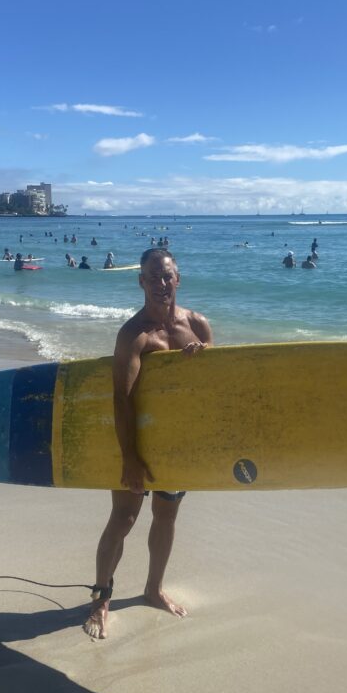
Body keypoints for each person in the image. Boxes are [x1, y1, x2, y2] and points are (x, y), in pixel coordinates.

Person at [84, 247, 213, 640]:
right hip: (137, 443)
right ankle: (101, 599)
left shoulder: (198, 325)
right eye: (153, 277)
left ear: (178, 279)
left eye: (167, 275)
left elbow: (214, 388)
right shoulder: (134, 335)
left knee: (166, 515)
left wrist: (202, 357)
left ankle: (153, 589)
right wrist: (130, 458)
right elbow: (121, 400)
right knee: (123, 519)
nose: (161, 283)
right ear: (140, 281)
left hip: (176, 443)